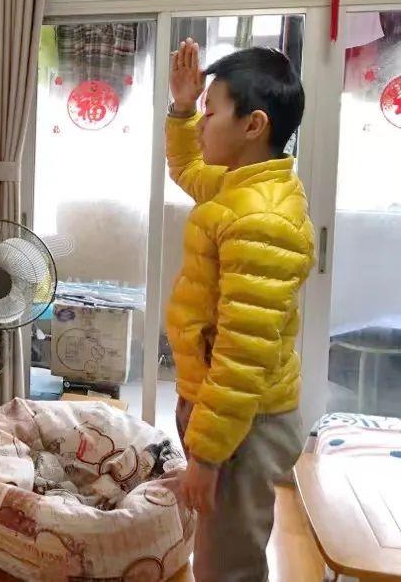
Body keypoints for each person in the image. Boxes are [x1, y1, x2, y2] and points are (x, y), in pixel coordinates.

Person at [166, 39, 315, 581]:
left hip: (243, 426)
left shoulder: (261, 219)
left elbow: (242, 357)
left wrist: (207, 457)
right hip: (225, 414)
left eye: (211, 113)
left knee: (226, 567)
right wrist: (183, 107)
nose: (203, 126)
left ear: (253, 124)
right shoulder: (241, 184)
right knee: (217, 550)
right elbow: (188, 167)